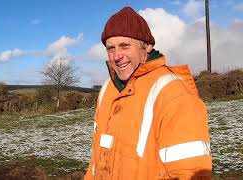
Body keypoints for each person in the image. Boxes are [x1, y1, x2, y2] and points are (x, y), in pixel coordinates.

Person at [84, 6, 212, 180]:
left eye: (125, 46)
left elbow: (190, 173)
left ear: (148, 46)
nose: (116, 56)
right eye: (111, 48)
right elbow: (96, 161)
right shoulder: (108, 89)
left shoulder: (174, 93)